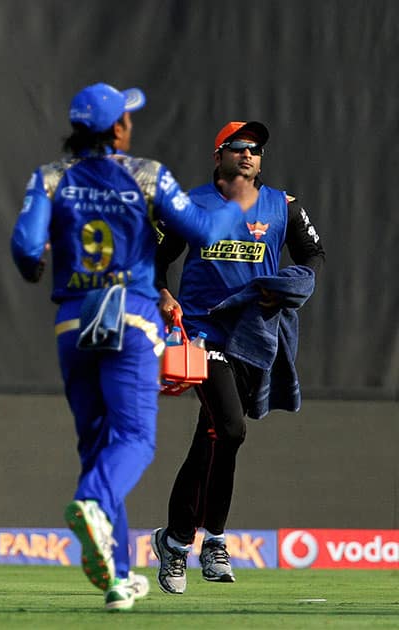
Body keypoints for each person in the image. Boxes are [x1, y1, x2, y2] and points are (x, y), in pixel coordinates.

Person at [10, 83, 249, 611]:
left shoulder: (50, 177)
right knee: (135, 438)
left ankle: (118, 577)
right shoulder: (145, 173)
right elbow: (203, 231)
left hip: (74, 320)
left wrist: (36, 266)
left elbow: (26, 248)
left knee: (98, 446)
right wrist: (235, 206)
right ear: (118, 129)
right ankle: (93, 503)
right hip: (131, 317)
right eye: (127, 118)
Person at [150, 121, 324, 594]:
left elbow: (312, 258)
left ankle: (179, 541)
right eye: (239, 147)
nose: (249, 155)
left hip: (254, 337)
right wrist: (164, 293)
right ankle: (210, 540)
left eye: (256, 149)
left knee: (213, 439)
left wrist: (286, 290)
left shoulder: (283, 206)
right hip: (204, 331)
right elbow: (154, 260)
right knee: (230, 429)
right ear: (219, 155)